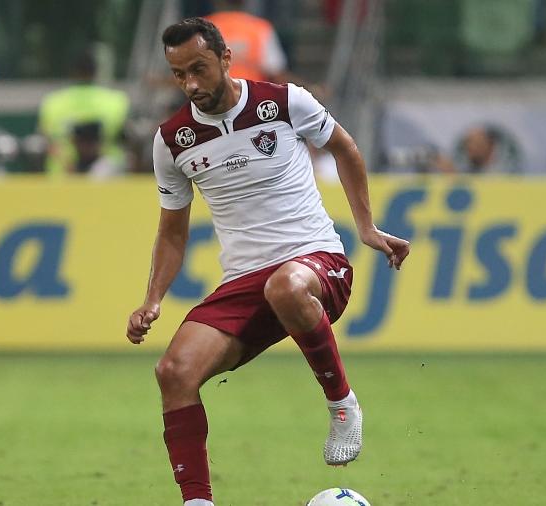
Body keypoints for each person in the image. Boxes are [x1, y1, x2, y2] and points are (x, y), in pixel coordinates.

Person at [125, 18, 410, 506]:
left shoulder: (284, 102)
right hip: (244, 282)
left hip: (315, 264)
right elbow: (172, 232)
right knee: (173, 372)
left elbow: (345, 148)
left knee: (286, 286)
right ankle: (198, 502)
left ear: (225, 60)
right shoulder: (172, 140)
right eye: (178, 74)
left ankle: (342, 404)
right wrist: (152, 298)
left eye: (199, 68)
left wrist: (365, 227)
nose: (191, 84)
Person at [37, 50, 129, 177]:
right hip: (106, 180)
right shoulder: (117, 101)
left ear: (73, 72)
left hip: (62, 179)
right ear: (96, 72)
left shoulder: (52, 102)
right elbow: (123, 138)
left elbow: (45, 139)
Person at [205, 0, 288, 84]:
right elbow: (275, 72)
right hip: (252, 94)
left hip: (214, 94)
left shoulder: (203, 27)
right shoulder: (260, 28)